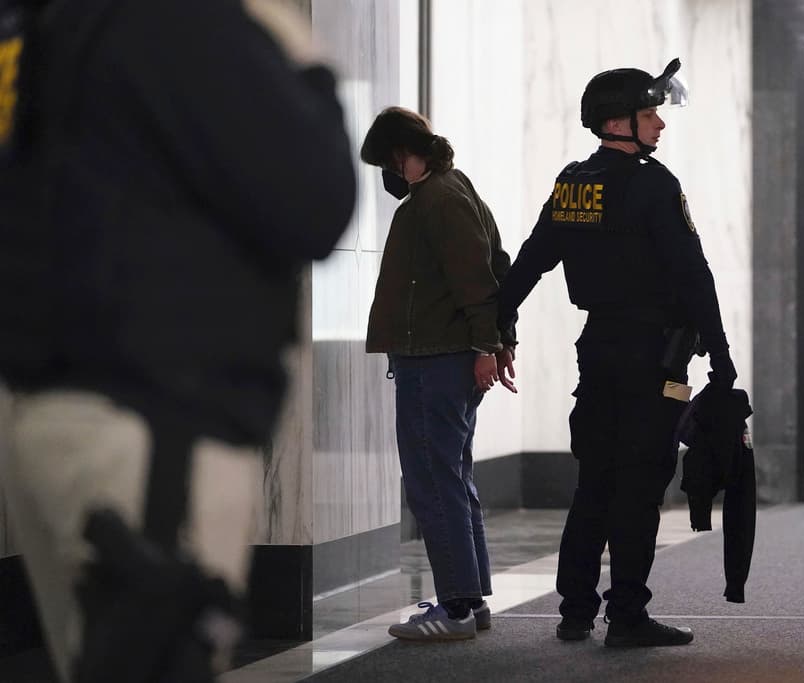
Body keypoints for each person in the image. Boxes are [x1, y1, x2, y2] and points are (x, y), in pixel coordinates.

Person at [0, 1, 356, 680]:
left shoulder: (47, 27)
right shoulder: (176, 20)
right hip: (155, 422)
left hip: (55, 411)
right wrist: (306, 65)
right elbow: (316, 201)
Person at [497, 58, 738, 647]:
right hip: (653, 356)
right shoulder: (655, 185)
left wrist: (498, 321)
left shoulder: (573, 181)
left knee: (594, 482)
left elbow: (532, 258)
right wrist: (723, 358)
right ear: (619, 121)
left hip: (598, 350)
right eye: (651, 112)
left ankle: (575, 612)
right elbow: (693, 276)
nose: (660, 123)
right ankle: (626, 615)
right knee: (639, 487)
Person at [359, 106, 516, 642]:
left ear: (402, 152)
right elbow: (499, 264)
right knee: (452, 477)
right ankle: (470, 598)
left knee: (431, 480)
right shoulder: (453, 188)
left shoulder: (439, 198)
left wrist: (489, 345)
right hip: (445, 356)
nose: (390, 172)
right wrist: (496, 343)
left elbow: (478, 276)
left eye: (389, 160)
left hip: (434, 359)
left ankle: (455, 607)